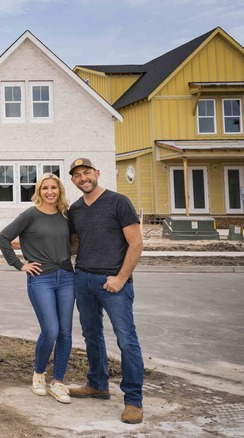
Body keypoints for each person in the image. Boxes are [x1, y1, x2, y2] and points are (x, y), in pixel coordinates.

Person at [67, 158, 145, 424]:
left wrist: (121, 278)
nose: (83, 178)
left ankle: (133, 400)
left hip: (114, 282)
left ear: (96, 173)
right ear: (73, 181)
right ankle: (97, 384)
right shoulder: (76, 209)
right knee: (91, 335)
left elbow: (136, 243)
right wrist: (37, 242)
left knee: (126, 340)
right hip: (84, 279)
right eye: (77, 175)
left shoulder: (118, 202)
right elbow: (75, 245)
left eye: (87, 172)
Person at [0, 172, 74, 403]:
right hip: (41, 278)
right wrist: (19, 264)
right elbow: (3, 237)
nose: (50, 192)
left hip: (67, 277)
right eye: (45, 188)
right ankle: (38, 375)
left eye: (54, 187)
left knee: (65, 332)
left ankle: (58, 381)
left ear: (59, 190)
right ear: (39, 191)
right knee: (50, 330)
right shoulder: (30, 215)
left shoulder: (65, 216)